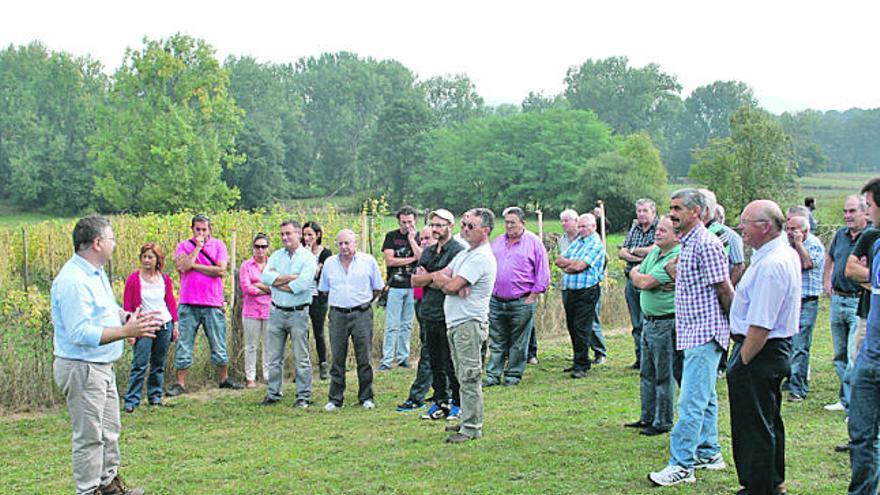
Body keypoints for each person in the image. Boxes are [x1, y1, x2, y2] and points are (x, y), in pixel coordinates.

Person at [52, 215, 161, 495]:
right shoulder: (74, 280)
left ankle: (108, 484)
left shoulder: (95, 274)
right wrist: (127, 331)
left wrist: (126, 316)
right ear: (98, 243)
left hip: (101, 365)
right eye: (111, 238)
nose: (115, 244)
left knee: (109, 430)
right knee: (90, 436)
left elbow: (105, 310)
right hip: (82, 367)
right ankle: (88, 490)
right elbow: (81, 333)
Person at [648, 188, 734, 487]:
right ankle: (709, 453)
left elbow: (724, 288)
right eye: (671, 208)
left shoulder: (706, 244)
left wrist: (734, 327)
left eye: (678, 209)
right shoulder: (689, 243)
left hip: (705, 332)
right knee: (706, 397)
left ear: (696, 212)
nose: (672, 214)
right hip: (691, 331)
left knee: (691, 402)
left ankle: (682, 464)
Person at [727, 200, 801, 495]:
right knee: (768, 419)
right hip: (767, 349)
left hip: (759, 349)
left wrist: (741, 362)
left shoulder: (772, 264)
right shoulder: (774, 254)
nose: (740, 228)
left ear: (765, 227)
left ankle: (758, 487)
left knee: (753, 425)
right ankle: (772, 481)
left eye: (745, 222)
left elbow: (761, 324)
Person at [432, 208, 498, 443]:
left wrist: (449, 283)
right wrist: (450, 283)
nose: (465, 230)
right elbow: (440, 276)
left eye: (471, 226)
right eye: (464, 225)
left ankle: (472, 427)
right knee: (461, 375)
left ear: (486, 231)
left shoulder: (481, 257)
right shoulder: (465, 254)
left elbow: (447, 285)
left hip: (469, 323)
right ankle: (468, 419)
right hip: (457, 323)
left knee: (469, 376)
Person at [167, 214, 242, 396]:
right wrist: (197, 250)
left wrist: (195, 266)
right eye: (197, 229)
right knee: (184, 343)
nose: (201, 232)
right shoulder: (183, 246)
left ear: (210, 229)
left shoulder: (219, 246)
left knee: (218, 342)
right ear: (192, 229)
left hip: (212, 302)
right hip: (188, 302)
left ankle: (223, 378)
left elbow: (221, 270)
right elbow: (182, 266)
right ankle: (181, 383)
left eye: (204, 229)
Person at [624, 215, 680, 436]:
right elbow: (634, 274)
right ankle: (647, 416)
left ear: (676, 236)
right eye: (657, 230)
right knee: (647, 372)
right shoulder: (657, 252)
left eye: (663, 231)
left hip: (666, 322)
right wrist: (640, 275)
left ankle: (663, 421)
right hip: (649, 321)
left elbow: (644, 281)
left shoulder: (676, 256)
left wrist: (641, 276)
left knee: (663, 374)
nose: (657, 233)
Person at [319, 229, 385, 411]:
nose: (344, 247)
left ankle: (366, 396)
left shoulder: (368, 261)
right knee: (337, 357)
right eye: (340, 244)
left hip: (361, 313)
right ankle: (335, 398)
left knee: (364, 356)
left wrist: (362, 302)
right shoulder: (330, 264)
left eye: (347, 243)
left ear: (355, 243)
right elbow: (323, 290)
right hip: (337, 314)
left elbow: (377, 288)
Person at [485, 206, 550, 387]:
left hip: (521, 300)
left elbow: (543, 273)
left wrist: (533, 296)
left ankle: (513, 376)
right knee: (497, 340)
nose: (509, 226)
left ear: (522, 223)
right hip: (497, 300)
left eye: (512, 222)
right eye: (506, 222)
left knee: (519, 342)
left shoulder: (534, 243)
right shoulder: (497, 242)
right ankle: (493, 376)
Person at [260, 220, 317, 408]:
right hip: (276, 311)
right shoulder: (276, 255)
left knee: (301, 356)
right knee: (274, 356)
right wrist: (290, 279)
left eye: (288, 233)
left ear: (299, 234)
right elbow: (265, 277)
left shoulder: (308, 258)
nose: (285, 237)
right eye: (282, 234)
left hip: (298, 313)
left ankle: (303, 395)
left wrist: (278, 282)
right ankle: (273, 393)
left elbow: (302, 286)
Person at [847, 177, 880, 494]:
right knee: (861, 435)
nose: (867, 214)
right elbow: (850, 270)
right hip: (870, 355)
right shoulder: (876, 242)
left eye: (869, 206)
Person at [823, 195, 872, 412]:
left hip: (858, 300)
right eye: (845, 211)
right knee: (840, 354)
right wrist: (826, 280)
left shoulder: (871, 237)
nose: (847, 216)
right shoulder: (840, 235)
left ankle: (854, 404)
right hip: (838, 298)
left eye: (852, 211)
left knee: (854, 355)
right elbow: (830, 257)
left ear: (865, 213)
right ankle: (845, 399)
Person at [123, 243, 179, 412]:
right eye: (144, 257)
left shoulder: (165, 279)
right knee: (139, 364)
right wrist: (129, 330)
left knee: (158, 363)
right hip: (144, 325)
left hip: (163, 324)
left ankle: (155, 395)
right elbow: (127, 306)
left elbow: (170, 301)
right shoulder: (134, 279)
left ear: (157, 260)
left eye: (150, 257)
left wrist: (175, 324)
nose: (147, 260)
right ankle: (132, 400)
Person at [396, 225, 443, 413]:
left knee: (428, 353)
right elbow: (416, 284)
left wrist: (426, 279)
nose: (423, 242)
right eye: (421, 239)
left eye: (427, 238)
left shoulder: (438, 260)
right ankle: (440, 390)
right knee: (431, 349)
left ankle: (417, 396)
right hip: (422, 306)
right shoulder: (424, 260)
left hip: (435, 310)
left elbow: (437, 281)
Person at [555, 213, 605, 379]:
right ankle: (580, 359)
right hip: (571, 290)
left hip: (586, 291)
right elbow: (559, 260)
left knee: (582, 327)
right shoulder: (579, 241)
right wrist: (572, 265)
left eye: (585, 226)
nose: (581, 229)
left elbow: (580, 266)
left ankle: (581, 365)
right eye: (580, 226)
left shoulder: (596, 244)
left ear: (594, 226)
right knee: (572, 327)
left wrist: (571, 265)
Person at [784, 211, 825, 402]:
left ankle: (798, 388)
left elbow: (807, 263)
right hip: (790, 300)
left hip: (807, 301)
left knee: (800, 345)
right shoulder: (785, 245)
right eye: (788, 228)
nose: (790, 233)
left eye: (794, 229)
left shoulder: (814, 244)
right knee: (787, 342)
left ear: (805, 230)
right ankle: (789, 379)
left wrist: (799, 244)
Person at [380, 205, 423, 370]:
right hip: (395, 285)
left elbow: (422, 259)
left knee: (408, 323)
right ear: (398, 221)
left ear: (415, 221)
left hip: (416, 286)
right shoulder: (391, 237)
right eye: (403, 222)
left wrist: (412, 240)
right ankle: (387, 359)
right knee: (392, 324)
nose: (407, 225)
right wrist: (412, 259)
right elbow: (390, 261)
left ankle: (403, 357)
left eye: (410, 222)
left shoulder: (419, 237)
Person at [619, 198, 659, 369]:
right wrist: (641, 255)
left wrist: (633, 251)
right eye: (639, 211)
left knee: (648, 321)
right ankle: (640, 358)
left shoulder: (660, 227)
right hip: (631, 280)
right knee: (636, 322)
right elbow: (622, 252)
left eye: (645, 211)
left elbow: (656, 250)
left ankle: (650, 359)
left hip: (650, 280)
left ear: (653, 212)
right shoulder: (635, 227)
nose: (641, 214)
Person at [239, 233, 272, 388]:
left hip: (269, 309)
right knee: (251, 345)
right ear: (253, 248)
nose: (260, 250)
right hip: (251, 310)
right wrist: (265, 288)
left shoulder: (273, 265)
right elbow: (246, 287)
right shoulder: (246, 265)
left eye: (263, 247)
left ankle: (267, 375)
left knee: (268, 344)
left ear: (267, 248)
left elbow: (276, 287)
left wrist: (258, 284)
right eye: (257, 246)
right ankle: (250, 377)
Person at [303, 221, 332, 380]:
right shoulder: (300, 252)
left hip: (318, 298)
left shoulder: (325, 253)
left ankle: (323, 364)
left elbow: (315, 274)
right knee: (302, 333)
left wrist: (308, 258)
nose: (307, 238)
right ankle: (303, 366)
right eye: (305, 235)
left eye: (310, 235)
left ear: (318, 235)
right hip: (302, 296)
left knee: (318, 332)